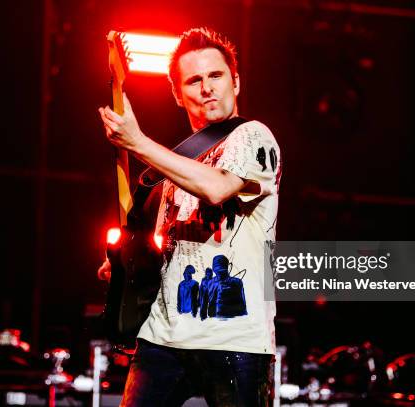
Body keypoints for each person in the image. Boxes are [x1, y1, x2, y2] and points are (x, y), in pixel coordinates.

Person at [98, 27, 281, 406]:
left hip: (237, 342)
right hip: (161, 339)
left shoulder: (253, 137)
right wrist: (125, 264)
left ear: (236, 81)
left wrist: (138, 143)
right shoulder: (171, 167)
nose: (207, 88)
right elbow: (165, 248)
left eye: (216, 76)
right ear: (179, 95)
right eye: (194, 81)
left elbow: (217, 188)